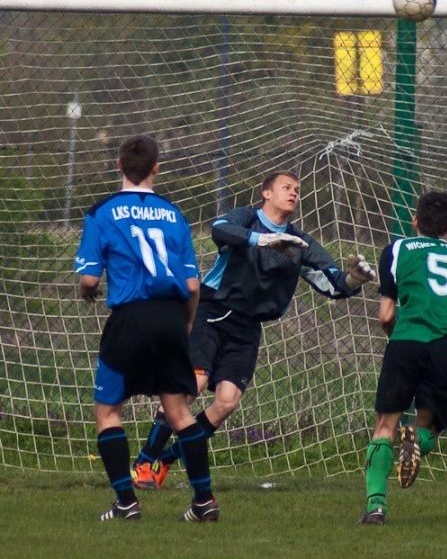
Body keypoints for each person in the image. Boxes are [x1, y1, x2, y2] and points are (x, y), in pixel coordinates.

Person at [130, 170, 377, 489]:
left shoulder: (300, 242)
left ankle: (165, 460)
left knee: (227, 402)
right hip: (213, 311)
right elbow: (219, 229)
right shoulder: (246, 219)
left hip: (248, 326)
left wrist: (354, 280)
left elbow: (332, 282)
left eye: (297, 190)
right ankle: (144, 461)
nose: (294, 193)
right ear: (266, 194)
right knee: (193, 384)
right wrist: (261, 240)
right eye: (286, 187)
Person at [74, 134, 218, 522]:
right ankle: (204, 502)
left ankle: (126, 503)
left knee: (108, 412)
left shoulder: (102, 211)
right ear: (156, 167)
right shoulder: (175, 214)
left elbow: (89, 281)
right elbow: (192, 286)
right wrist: (186, 322)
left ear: (118, 165)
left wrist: (88, 291)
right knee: (178, 412)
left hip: (131, 318)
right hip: (171, 317)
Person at [360, 191, 447, 525]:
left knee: (384, 425)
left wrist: (399, 339)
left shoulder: (396, 250)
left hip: (407, 342)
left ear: (415, 221)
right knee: (431, 421)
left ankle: (376, 507)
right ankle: (419, 439)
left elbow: (385, 317)